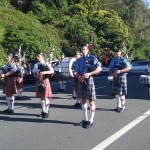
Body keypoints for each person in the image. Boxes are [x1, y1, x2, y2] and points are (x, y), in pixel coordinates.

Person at [74, 43, 102, 128]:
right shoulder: (78, 60)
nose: (83, 51)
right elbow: (74, 71)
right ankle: (85, 119)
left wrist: (90, 73)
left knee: (91, 101)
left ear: (88, 50)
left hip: (89, 80)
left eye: (84, 49)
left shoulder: (92, 58)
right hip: (81, 80)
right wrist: (78, 76)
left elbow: (99, 68)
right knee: (83, 100)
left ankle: (91, 120)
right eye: (82, 49)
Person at [109, 48, 132, 113]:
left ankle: (123, 107)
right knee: (116, 93)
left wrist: (121, 71)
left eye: (118, 54)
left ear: (120, 54)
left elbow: (130, 67)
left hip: (122, 77)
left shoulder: (123, 59)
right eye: (116, 53)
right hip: (115, 77)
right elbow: (110, 68)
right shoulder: (113, 60)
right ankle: (118, 106)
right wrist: (112, 73)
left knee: (121, 93)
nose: (117, 55)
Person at [33, 52, 54, 118]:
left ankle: (47, 111)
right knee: (41, 97)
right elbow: (33, 74)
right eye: (37, 56)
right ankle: (43, 110)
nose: (37, 58)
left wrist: (44, 72)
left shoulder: (46, 63)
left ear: (42, 57)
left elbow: (52, 71)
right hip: (39, 81)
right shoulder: (36, 65)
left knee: (45, 97)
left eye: (38, 56)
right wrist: (37, 75)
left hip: (45, 80)